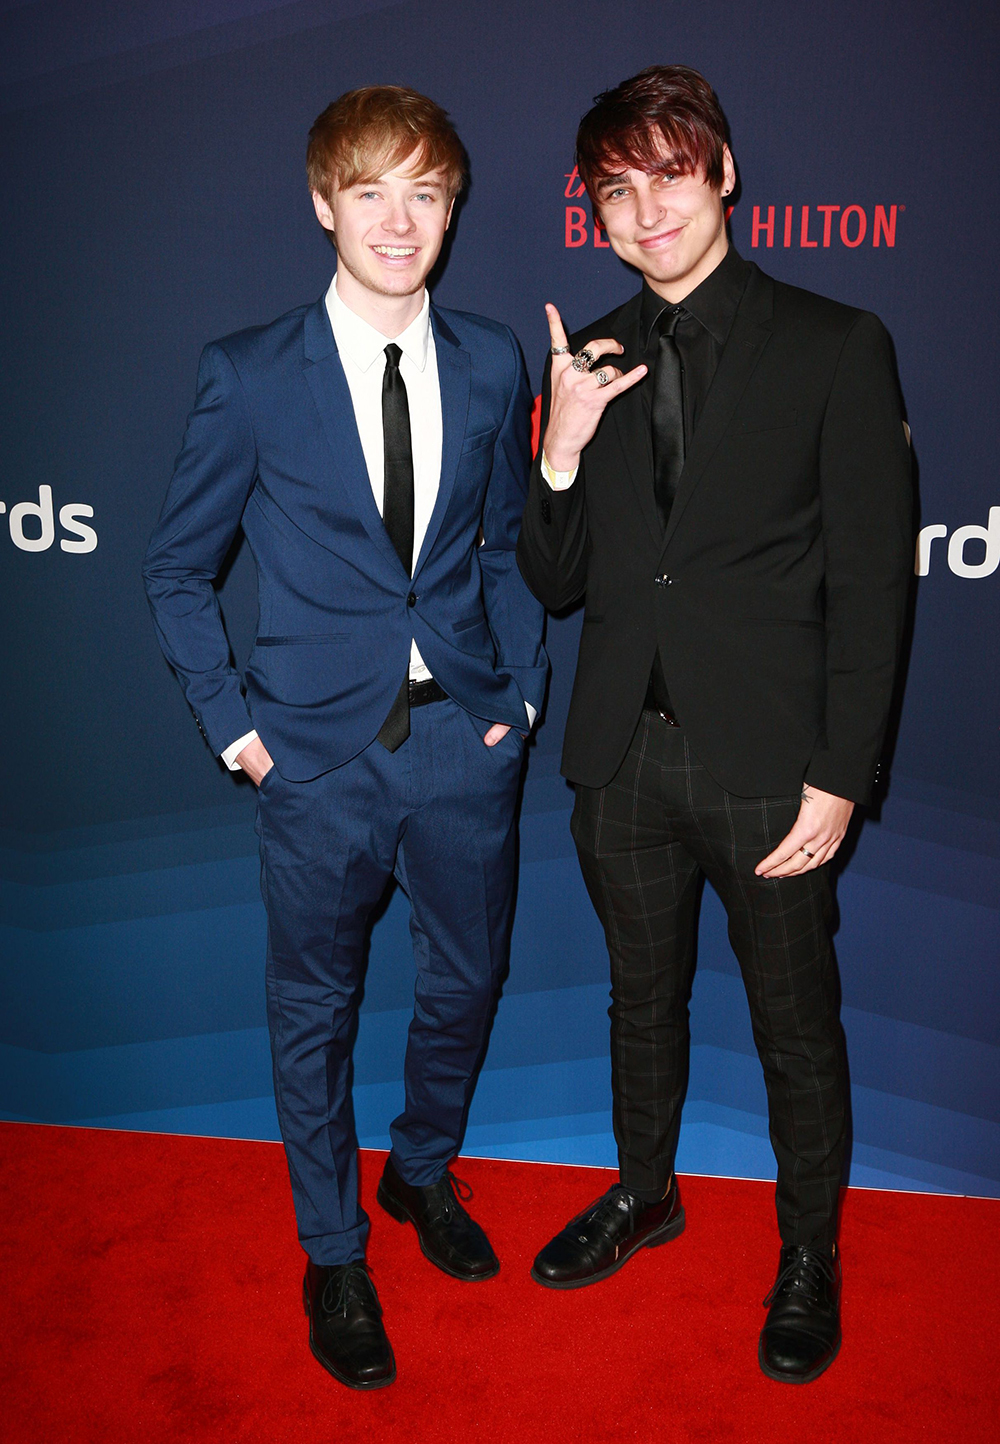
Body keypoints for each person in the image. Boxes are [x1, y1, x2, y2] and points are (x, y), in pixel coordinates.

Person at [143, 85, 546, 1391]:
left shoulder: (492, 361)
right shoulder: (248, 373)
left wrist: (518, 698)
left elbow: (497, 550)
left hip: (462, 747)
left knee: (467, 979)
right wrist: (238, 737)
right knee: (311, 1012)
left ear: (453, 209)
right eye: (368, 190)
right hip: (312, 759)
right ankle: (333, 1252)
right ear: (323, 204)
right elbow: (174, 571)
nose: (396, 218)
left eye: (423, 192)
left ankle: (421, 1174)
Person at [517, 64, 911, 1384]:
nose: (646, 212)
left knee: (799, 1027)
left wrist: (839, 776)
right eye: (617, 192)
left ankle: (809, 1253)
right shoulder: (597, 356)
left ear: (724, 172)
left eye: (670, 175)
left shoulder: (834, 342)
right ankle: (648, 1192)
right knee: (643, 1001)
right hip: (619, 760)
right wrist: (562, 447)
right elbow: (558, 580)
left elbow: (868, 585)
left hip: (768, 770)